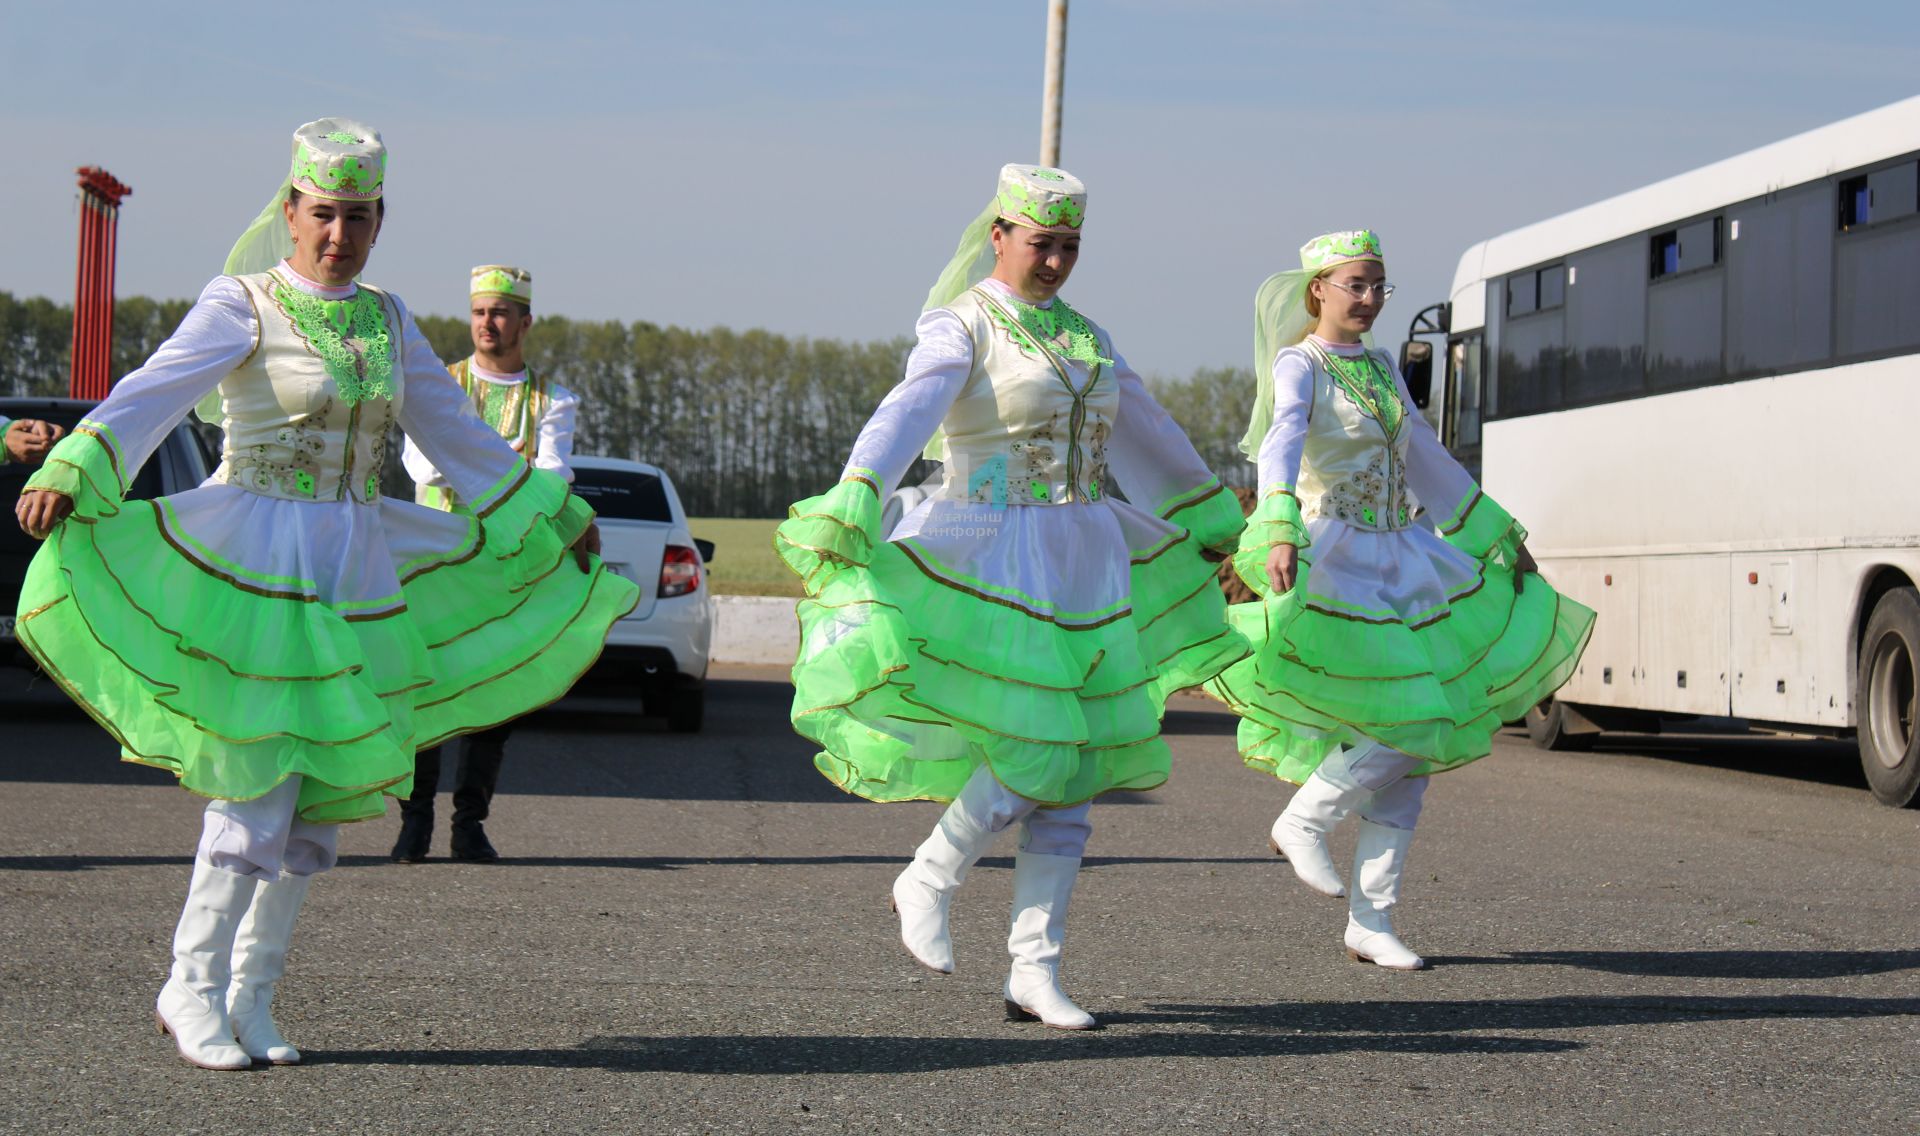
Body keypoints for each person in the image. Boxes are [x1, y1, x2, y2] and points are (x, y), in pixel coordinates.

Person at [12, 119, 638, 1069]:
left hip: (354, 560)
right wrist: (77, 460)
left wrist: (551, 509)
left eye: (357, 216)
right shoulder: (245, 302)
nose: (337, 233)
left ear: (379, 221)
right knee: (257, 783)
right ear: (291, 212)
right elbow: (154, 390)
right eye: (322, 214)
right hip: (256, 554)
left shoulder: (385, 319)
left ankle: (254, 999)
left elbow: (455, 431)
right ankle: (189, 988)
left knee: (317, 803)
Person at [775, 164, 1248, 1029]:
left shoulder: (1089, 337)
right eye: (1043, 244)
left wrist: (1203, 505)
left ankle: (1035, 970)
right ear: (999, 235)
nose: (1058, 262)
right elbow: (908, 410)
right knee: (1038, 745)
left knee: (1074, 771)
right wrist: (857, 486)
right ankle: (932, 872)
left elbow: (1147, 427)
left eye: (1071, 246)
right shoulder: (963, 323)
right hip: (986, 549)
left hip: (1084, 555)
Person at [1210, 230, 1595, 970]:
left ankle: (1372, 919)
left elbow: (1425, 454)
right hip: (1337, 558)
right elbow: (1281, 444)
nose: (1369, 299)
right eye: (1355, 283)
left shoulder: (1383, 367)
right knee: (1412, 719)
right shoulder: (1303, 363)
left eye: (1379, 285)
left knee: (1413, 752)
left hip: (1404, 557)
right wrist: (1279, 525)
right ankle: (1306, 818)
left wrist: (1490, 532)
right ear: (1317, 288)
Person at [394, 264, 580, 863]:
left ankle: (469, 823)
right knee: (423, 687)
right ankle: (414, 821)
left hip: (502, 563)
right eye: (479, 312)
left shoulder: (552, 400)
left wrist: (479, 466)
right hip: (434, 558)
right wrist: (507, 469)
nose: (487, 323)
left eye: (500, 312)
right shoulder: (438, 384)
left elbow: (551, 476)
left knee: (492, 690)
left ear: (524, 322)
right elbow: (422, 465)